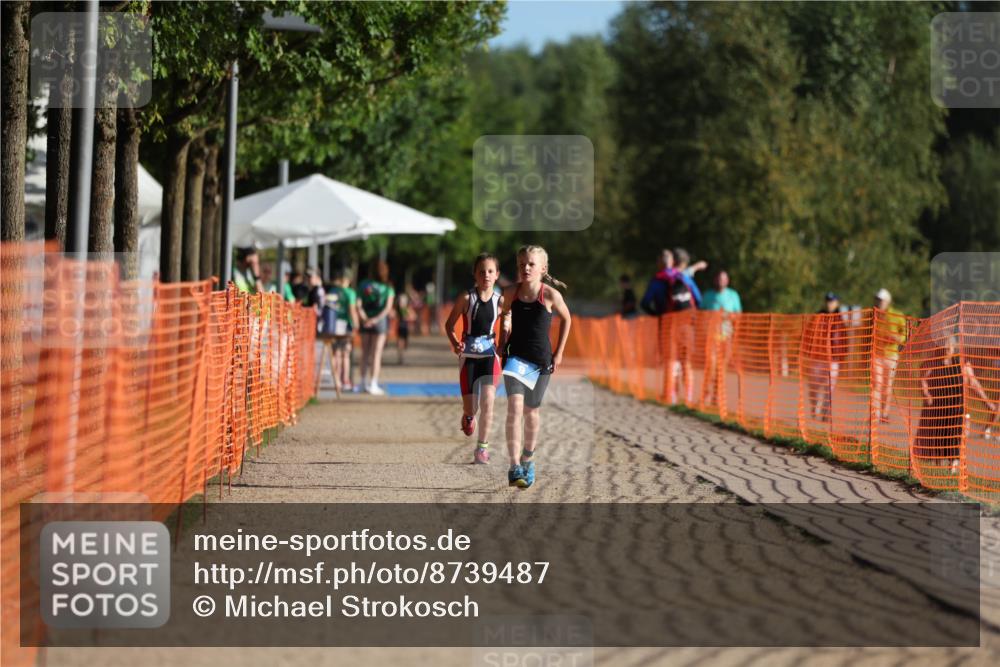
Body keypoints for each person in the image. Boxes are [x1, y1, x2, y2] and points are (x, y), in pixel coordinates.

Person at [499, 245, 572, 489]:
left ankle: (527, 459)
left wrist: (559, 353)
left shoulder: (550, 295)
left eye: (531, 264)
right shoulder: (511, 293)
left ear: (543, 268)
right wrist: (502, 340)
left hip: (541, 361)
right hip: (515, 358)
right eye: (521, 264)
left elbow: (567, 319)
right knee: (514, 408)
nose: (526, 268)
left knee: (531, 412)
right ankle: (513, 467)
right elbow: (503, 314)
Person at [445, 253, 504, 463]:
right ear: (475, 274)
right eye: (481, 271)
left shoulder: (501, 301)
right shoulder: (466, 298)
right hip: (468, 356)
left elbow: (508, 326)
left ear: (497, 275)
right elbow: (449, 325)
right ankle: (468, 415)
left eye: (490, 271)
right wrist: (455, 344)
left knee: (488, 403)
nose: (486, 275)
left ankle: (482, 449)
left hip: (490, 356)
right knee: (473, 407)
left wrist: (504, 345)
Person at [914, 335, 995, 475]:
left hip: (957, 408)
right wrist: (926, 394)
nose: (946, 350)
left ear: (954, 348)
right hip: (937, 408)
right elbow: (922, 379)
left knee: (955, 435)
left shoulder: (962, 364)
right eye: (943, 347)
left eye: (948, 347)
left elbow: (974, 384)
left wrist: (988, 403)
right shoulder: (932, 363)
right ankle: (938, 468)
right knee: (936, 438)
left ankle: (953, 464)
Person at [801, 292, 847, 423]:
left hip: (833, 359)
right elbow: (808, 334)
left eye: (832, 301)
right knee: (814, 386)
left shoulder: (841, 319)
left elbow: (844, 340)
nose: (829, 304)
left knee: (829, 388)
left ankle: (826, 413)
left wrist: (842, 358)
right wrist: (807, 350)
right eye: (827, 301)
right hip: (817, 358)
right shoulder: (817, 316)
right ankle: (814, 408)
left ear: (837, 302)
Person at [701, 270, 742, 407]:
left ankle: (716, 396)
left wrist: (729, 316)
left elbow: (738, 315)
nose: (720, 281)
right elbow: (701, 314)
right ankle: (705, 394)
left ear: (727, 281)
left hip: (726, 337)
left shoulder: (733, 295)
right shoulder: (708, 295)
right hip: (710, 337)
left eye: (723, 279)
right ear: (715, 280)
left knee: (721, 368)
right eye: (718, 279)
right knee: (710, 365)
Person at [357, 260, 395, 395]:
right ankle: (373, 383)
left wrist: (365, 318)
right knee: (376, 354)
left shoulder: (363, 285)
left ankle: (361, 383)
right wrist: (376, 320)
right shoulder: (388, 288)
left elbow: (358, 304)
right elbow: (387, 308)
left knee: (364, 353)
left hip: (365, 321)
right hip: (380, 322)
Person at [319, 268, 360, 394]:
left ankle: (335, 380)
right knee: (345, 354)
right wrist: (356, 324)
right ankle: (345, 380)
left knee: (335, 353)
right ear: (349, 279)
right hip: (346, 325)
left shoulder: (333, 291)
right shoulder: (350, 293)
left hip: (333, 325)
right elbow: (352, 310)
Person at [872, 288, 907, 424]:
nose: (879, 302)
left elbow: (904, 335)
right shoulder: (873, 315)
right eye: (877, 300)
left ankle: (884, 413)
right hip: (876, 354)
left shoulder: (897, 315)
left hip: (891, 355)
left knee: (887, 386)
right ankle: (876, 413)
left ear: (888, 301)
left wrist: (895, 338)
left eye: (881, 300)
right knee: (876, 384)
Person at [396, 291, 417, 365]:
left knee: (405, 344)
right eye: (401, 300)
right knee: (400, 343)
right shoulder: (398, 309)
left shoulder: (407, 308)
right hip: (400, 326)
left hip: (405, 327)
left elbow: (414, 316)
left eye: (403, 300)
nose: (402, 302)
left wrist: (408, 317)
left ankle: (402, 357)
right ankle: (401, 358)